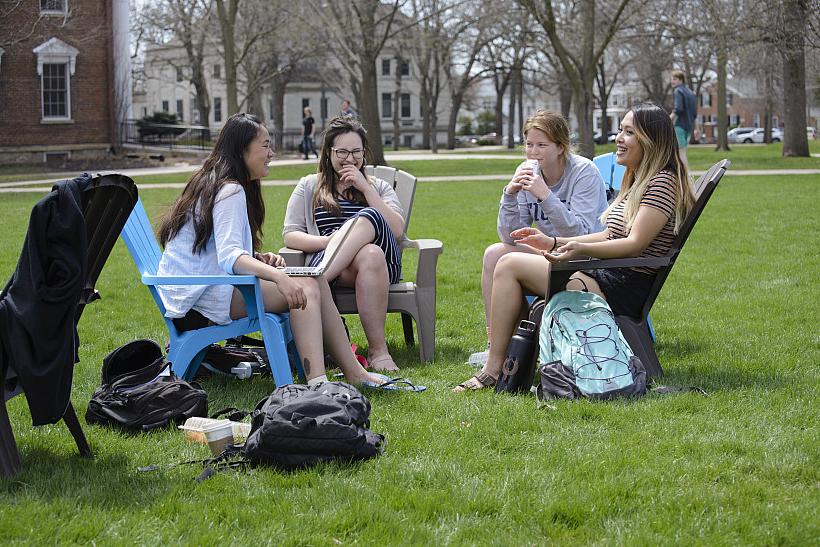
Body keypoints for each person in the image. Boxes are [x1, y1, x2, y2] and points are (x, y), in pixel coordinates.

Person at [455, 102, 696, 392]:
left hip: (618, 286)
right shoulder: (643, 180)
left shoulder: (662, 183)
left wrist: (577, 249)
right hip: (605, 275)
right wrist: (557, 242)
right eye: (620, 130)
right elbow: (609, 233)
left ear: (651, 140)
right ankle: (509, 359)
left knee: (508, 265)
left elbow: (634, 245)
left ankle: (495, 369)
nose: (619, 137)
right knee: (502, 257)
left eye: (628, 132)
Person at [156, 113, 384, 387]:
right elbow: (229, 257)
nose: (271, 153)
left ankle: (354, 374)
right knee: (306, 288)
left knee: (314, 278)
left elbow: (217, 250)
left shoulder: (218, 182)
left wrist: (257, 259)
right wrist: (278, 277)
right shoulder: (230, 190)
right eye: (264, 145)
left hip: (202, 289)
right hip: (204, 297)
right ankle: (319, 384)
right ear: (243, 150)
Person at [467, 109, 607, 366]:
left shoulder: (583, 173)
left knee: (503, 259)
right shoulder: (528, 171)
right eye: (529, 145)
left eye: (542, 145)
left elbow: (582, 234)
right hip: (547, 254)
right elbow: (511, 236)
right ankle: (498, 343)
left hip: (582, 260)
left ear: (561, 147)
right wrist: (509, 195)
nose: (533, 152)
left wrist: (546, 196)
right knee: (495, 252)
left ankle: (510, 348)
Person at [284, 116, 405, 372]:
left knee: (371, 237)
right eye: (342, 152)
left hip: (380, 265)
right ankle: (378, 353)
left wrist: (366, 189)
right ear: (329, 153)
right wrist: (332, 241)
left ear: (364, 153)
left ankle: (319, 278)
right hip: (329, 258)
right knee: (367, 250)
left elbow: (396, 229)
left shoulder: (379, 187)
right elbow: (291, 235)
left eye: (356, 152)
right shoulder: (309, 186)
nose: (349, 159)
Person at [670, 69, 697, 168]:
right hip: (688, 126)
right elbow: (694, 113)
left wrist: (669, 119)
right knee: (682, 151)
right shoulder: (691, 92)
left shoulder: (678, 91)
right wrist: (697, 128)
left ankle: (685, 176)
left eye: (674, 79)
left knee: (680, 152)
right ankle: (682, 175)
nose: (672, 81)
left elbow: (678, 109)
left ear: (681, 80)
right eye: (672, 79)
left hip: (679, 125)